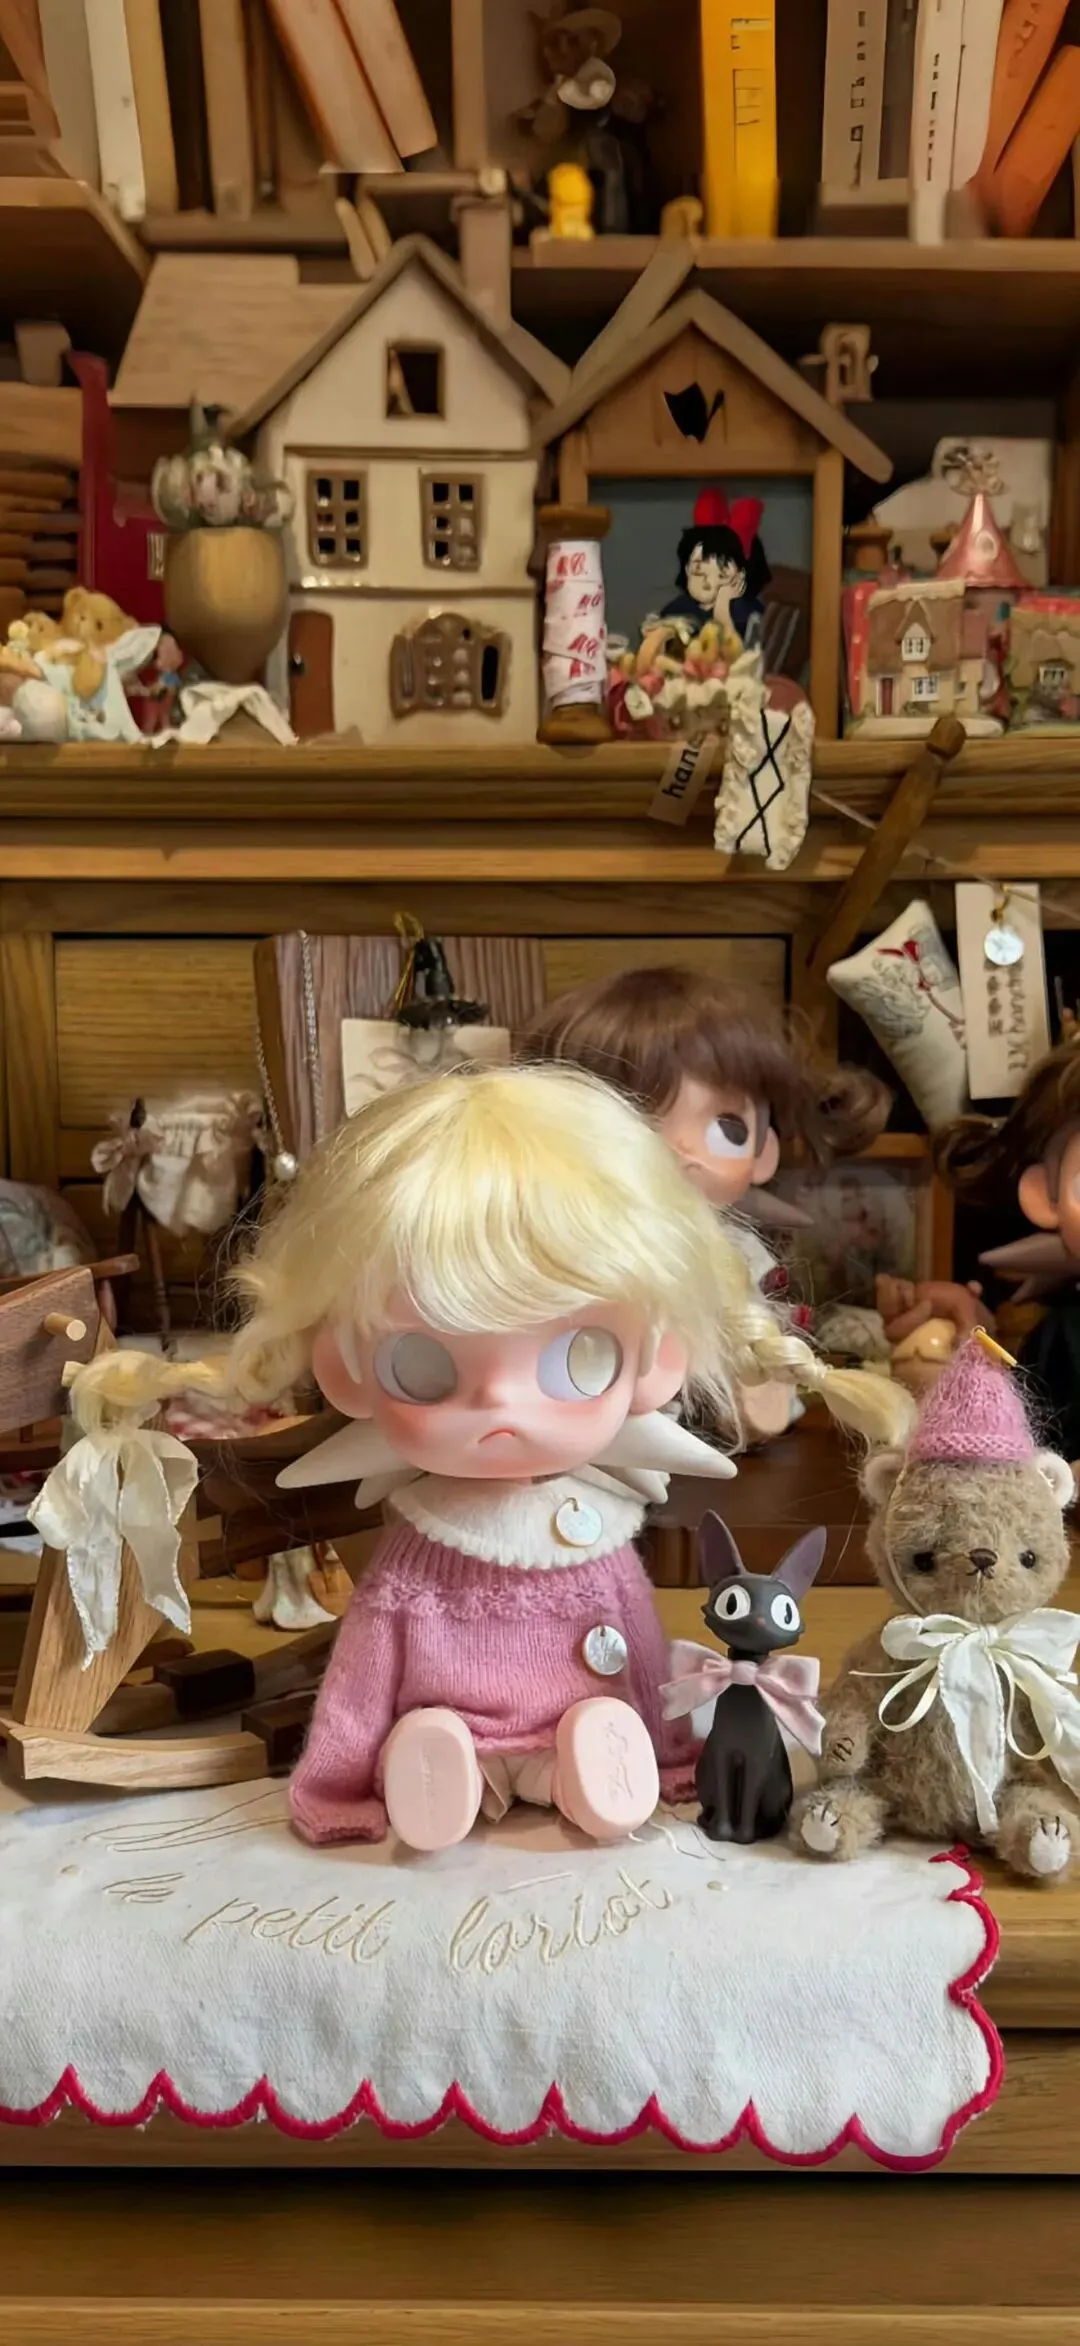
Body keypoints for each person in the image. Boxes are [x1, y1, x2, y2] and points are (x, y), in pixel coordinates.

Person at [42, 1065, 910, 1851]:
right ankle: (437, 1758)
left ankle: (596, 1759)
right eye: (424, 1366)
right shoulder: (422, 1549)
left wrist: (668, 1748)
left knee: (600, 1723)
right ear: (347, 1370)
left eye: (578, 1358)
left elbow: (642, 1647)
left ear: (656, 1361)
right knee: (426, 1732)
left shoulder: (599, 1537)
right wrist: (340, 1778)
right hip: (445, 1720)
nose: (501, 1406)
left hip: (579, 1725)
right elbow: (366, 1666)